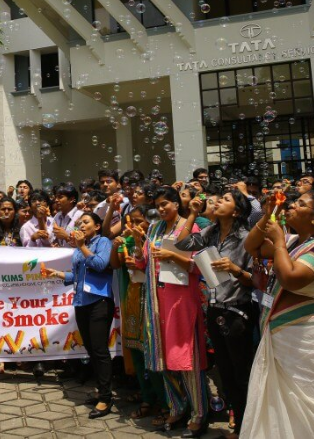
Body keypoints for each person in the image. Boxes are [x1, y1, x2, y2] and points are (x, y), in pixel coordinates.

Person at [242, 190, 314, 438]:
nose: (292, 205)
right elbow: (251, 246)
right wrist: (269, 214)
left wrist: (280, 243)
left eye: (300, 204)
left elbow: (292, 279)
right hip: (283, 338)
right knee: (277, 409)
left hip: (307, 338)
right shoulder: (295, 243)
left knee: (306, 406)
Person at [176, 190, 254, 438]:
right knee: (226, 373)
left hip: (237, 312)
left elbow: (256, 281)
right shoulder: (209, 233)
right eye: (218, 199)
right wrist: (193, 214)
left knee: (242, 373)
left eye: (226, 200)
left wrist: (234, 269)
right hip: (215, 309)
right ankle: (238, 423)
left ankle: (246, 427)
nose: (218, 201)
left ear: (238, 211)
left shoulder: (246, 238)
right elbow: (182, 244)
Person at [132, 186, 208, 436]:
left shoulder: (190, 227)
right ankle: (177, 405)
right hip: (156, 300)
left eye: (166, 203)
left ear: (177, 204)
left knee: (186, 357)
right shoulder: (153, 228)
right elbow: (142, 263)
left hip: (181, 299)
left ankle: (199, 413)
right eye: (158, 204)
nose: (161, 208)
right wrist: (138, 242)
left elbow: (199, 266)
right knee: (163, 357)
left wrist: (171, 256)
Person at [44, 213, 113, 418]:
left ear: (97, 226)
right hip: (81, 302)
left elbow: (100, 265)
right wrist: (57, 274)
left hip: (99, 302)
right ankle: (101, 391)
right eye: (79, 222)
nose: (81, 225)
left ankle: (106, 398)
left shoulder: (103, 242)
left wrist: (82, 246)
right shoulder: (78, 247)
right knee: (91, 349)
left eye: (86, 222)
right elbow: (78, 275)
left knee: (100, 350)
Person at [109, 205, 165, 422]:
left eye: (139, 221)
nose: (133, 226)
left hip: (152, 300)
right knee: (136, 350)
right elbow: (115, 264)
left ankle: (164, 401)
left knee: (152, 352)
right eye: (129, 221)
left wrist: (141, 261)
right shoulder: (127, 241)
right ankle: (147, 397)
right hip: (132, 299)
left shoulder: (156, 243)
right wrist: (116, 247)